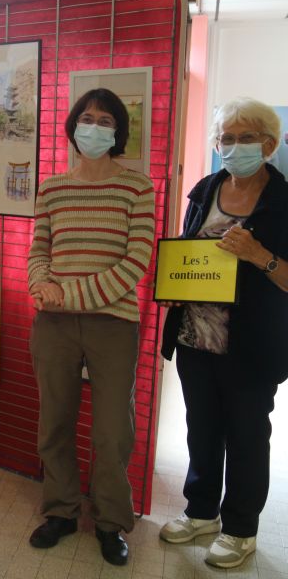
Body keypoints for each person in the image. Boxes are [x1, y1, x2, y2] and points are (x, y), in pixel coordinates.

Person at [26, 88, 155, 566]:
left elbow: (136, 261)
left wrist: (70, 294)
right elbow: (39, 249)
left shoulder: (137, 187)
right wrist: (42, 285)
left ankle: (109, 522)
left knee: (112, 430)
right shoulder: (53, 187)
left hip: (113, 323)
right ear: (73, 125)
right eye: (86, 117)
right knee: (55, 421)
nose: (94, 127)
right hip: (53, 323)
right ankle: (59, 510)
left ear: (118, 130)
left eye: (105, 120)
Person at [159, 98, 287, 569]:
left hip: (252, 346)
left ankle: (240, 529)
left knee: (249, 436)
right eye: (227, 137)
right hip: (197, 338)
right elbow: (186, 252)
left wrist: (259, 254)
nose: (235, 146)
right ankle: (201, 513)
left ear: (269, 144)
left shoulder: (283, 201)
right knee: (202, 430)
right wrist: (171, 285)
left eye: (247, 137)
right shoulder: (205, 189)